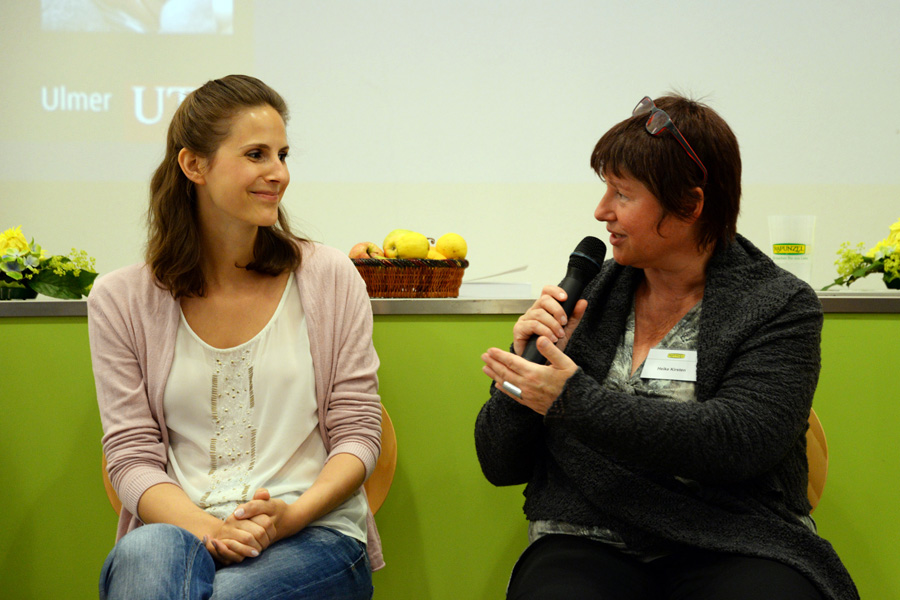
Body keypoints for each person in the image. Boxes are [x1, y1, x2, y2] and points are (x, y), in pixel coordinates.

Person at [475, 94, 858, 600]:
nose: (601, 211)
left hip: (734, 539)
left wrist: (570, 399)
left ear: (690, 205)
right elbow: (498, 462)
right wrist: (527, 365)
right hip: (588, 540)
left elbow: (735, 440)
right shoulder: (588, 295)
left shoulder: (780, 305)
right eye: (605, 189)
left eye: (622, 193)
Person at [88, 74, 382, 600]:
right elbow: (131, 456)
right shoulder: (119, 298)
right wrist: (212, 529)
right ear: (193, 165)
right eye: (255, 154)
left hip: (314, 534)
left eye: (282, 154)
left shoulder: (330, 276)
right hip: (180, 531)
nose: (279, 174)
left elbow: (359, 434)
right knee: (140, 554)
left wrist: (290, 517)